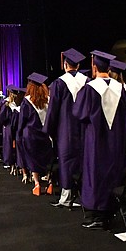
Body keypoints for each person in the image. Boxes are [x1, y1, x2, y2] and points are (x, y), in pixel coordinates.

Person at [74, 50, 126, 227]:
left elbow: (79, 113)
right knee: (114, 172)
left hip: (96, 140)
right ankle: (114, 209)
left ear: (94, 67)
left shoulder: (90, 89)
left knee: (95, 174)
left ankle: (97, 215)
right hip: (117, 139)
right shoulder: (120, 88)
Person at [44, 48, 87, 208]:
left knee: (66, 161)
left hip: (66, 129)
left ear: (65, 64)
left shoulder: (59, 84)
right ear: (78, 65)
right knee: (83, 160)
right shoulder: (87, 81)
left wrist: (49, 130)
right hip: (84, 129)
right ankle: (82, 196)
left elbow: (53, 109)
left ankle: (66, 198)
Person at [17, 72, 53, 196]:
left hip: (31, 135)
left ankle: (37, 184)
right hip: (45, 134)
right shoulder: (48, 100)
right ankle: (50, 183)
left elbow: (23, 120)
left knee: (33, 159)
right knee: (47, 159)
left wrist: (19, 134)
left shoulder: (27, 101)